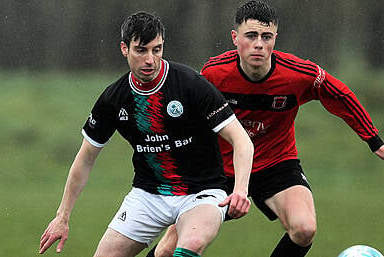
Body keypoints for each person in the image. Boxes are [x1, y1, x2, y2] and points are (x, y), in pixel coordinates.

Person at [146, 1, 384, 257]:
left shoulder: (298, 74)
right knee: (170, 249)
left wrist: (376, 143)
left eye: (267, 37)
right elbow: (190, 120)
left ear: (275, 39)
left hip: (277, 164)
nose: (259, 45)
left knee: (304, 229)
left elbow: (341, 96)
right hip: (222, 170)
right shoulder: (214, 73)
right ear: (235, 38)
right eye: (250, 36)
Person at [38, 11, 254, 257]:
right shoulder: (114, 98)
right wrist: (62, 217)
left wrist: (240, 190)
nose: (150, 59)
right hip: (149, 194)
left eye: (157, 49)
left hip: (202, 192)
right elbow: (86, 157)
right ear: (124, 49)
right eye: (141, 50)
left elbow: (241, 140)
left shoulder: (190, 84)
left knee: (190, 245)